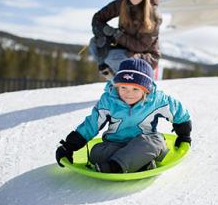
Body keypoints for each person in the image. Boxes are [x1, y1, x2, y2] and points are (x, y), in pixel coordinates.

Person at [56, 58, 192, 173]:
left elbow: (178, 112)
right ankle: (140, 164)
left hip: (145, 144)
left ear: (146, 90)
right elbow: (91, 124)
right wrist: (69, 146)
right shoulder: (109, 102)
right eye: (123, 88)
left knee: (157, 142)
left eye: (135, 89)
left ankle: (117, 167)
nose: (128, 93)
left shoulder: (156, 101)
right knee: (95, 153)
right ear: (117, 86)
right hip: (115, 144)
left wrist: (184, 135)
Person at [89, 0, 162, 79]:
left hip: (146, 57)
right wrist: (102, 32)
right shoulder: (122, 3)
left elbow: (141, 46)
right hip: (125, 48)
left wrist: (116, 34)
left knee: (113, 57)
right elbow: (97, 18)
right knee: (94, 43)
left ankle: (135, 83)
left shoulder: (154, 15)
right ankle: (116, 81)